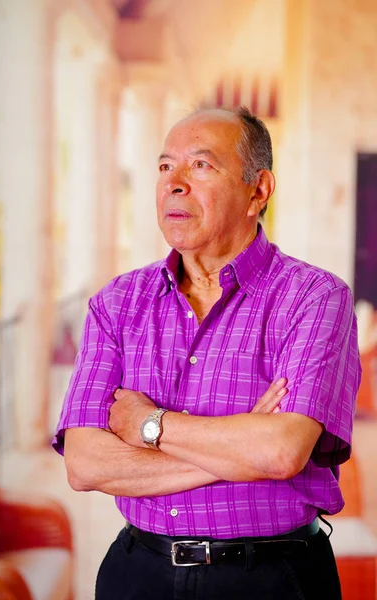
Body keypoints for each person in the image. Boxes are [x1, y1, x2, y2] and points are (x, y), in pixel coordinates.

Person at [53, 106, 361, 600]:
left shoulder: (315, 297)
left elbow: (282, 451)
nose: (173, 183)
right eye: (163, 166)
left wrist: (149, 425)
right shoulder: (116, 304)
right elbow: (86, 465)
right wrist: (238, 450)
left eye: (200, 165)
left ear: (257, 191)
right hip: (139, 574)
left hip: (273, 578)